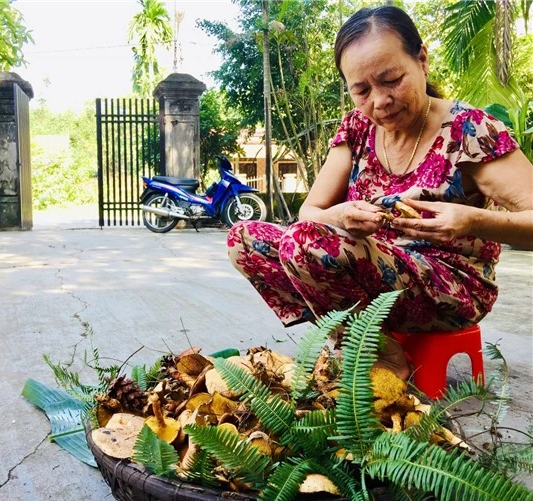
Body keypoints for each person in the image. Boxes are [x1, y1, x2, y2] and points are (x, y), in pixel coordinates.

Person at [227, 5, 533, 379]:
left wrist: (471, 220)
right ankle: (369, 344)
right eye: (362, 90)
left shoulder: (469, 130)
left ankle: (375, 358)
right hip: (367, 277)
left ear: (422, 59)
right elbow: (310, 212)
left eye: (391, 80)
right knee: (245, 238)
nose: (380, 101)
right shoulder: (357, 128)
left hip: (448, 286)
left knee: (307, 244)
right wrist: (339, 216)